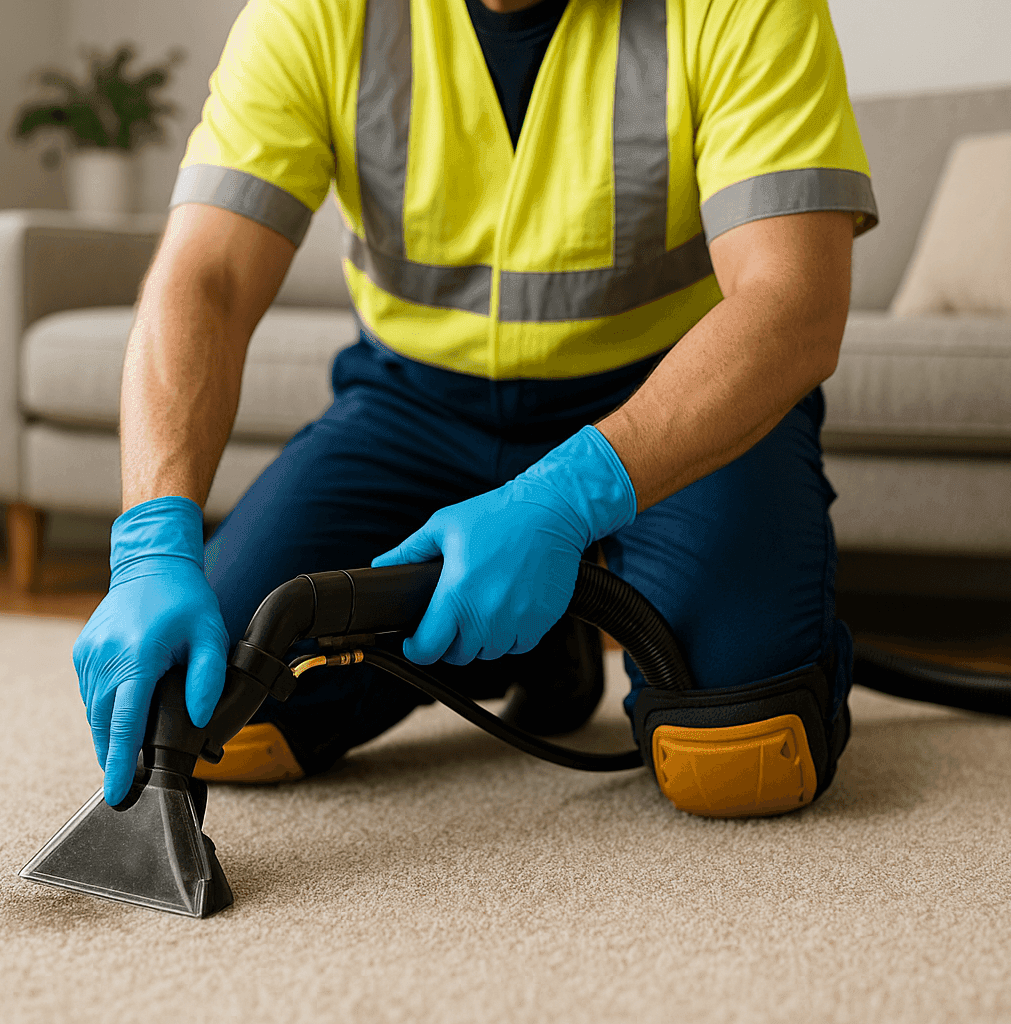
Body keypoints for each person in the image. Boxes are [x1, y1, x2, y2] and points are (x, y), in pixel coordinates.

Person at [73, 0, 878, 818]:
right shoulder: (315, 12)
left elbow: (795, 302)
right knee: (216, 715)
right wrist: (153, 544)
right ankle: (535, 640)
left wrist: (565, 498)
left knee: (742, 759)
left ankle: (565, 571)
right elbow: (201, 278)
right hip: (414, 408)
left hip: (668, 405)